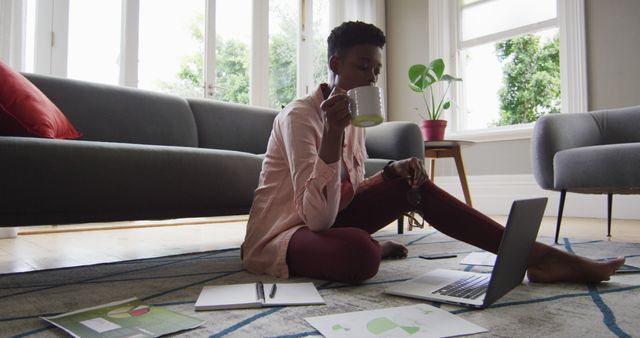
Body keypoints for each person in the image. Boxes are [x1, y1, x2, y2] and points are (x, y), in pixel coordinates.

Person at [241, 21, 624, 284]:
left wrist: (388, 174)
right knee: (360, 256)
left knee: (412, 184)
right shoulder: (300, 118)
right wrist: (331, 135)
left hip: (327, 221)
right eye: (363, 67)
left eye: (376, 70)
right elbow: (318, 219)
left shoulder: (355, 119)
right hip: (284, 235)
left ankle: (537, 256)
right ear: (335, 64)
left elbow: (343, 196)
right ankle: (368, 245)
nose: (372, 78)